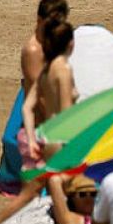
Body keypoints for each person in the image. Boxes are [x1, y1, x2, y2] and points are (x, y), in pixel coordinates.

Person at [20, 19, 75, 164]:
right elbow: (66, 112)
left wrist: (31, 140)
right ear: (71, 43)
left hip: (47, 138)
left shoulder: (46, 70)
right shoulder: (63, 69)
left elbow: (26, 108)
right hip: (62, 142)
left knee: (49, 182)